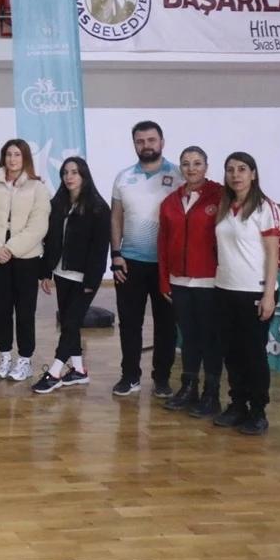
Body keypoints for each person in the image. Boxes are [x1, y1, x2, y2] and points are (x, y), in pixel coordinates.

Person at [111, 120, 181, 398]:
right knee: (129, 323)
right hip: (130, 262)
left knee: (166, 324)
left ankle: (162, 379)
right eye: (140, 141)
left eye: (151, 140)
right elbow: (116, 217)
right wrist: (116, 255)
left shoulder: (178, 175)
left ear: (162, 142)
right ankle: (130, 376)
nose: (146, 146)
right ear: (134, 144)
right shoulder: (123, 177)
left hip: (166, 266)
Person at [212, 152, 280, 436]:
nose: (235, 175)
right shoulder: (224, 207)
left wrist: (267, 295)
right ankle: (237, 404)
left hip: (254, 290)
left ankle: (258, 410)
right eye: (230, 170)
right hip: (225, 289)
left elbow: (273, 254)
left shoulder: (266, 208)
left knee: (253, 353)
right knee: (232, 352)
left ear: (253, 173)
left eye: (242, 169)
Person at [31, 157, 111, 394]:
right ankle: (78, 370)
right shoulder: (59, 203)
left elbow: (100, 247)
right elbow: (51, 241)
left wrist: (92, 280)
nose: (69, 177)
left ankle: (54, 372)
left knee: (70, 324)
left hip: (85, 277)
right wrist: (45, 272)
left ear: (84, 175)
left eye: (74, 172)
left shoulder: (98, 207)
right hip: (62, 274)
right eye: (65, 172)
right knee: (69, 323)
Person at [0, 139, 51, 384]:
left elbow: (39, 225)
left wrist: (10, 248)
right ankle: (5, 356)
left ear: (25, 158)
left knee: (25, 311)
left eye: (17, 154)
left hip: (26, 259)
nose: (12, 159)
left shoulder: (37, 187)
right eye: (8, 154)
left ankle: (25, 360)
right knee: (0, 310)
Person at [156, 146, 223, 415]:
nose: (191, 168)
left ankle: (212, 394)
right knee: (189, 338)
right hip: (179, 282)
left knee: (210, 338)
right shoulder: (170, 201)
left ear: (206, 166)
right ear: (180, 168)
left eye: (197, 163)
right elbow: (162, 244)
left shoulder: (220, 197)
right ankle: (188, 387)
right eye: (186, 164)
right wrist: (164, 280)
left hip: (210, 281)